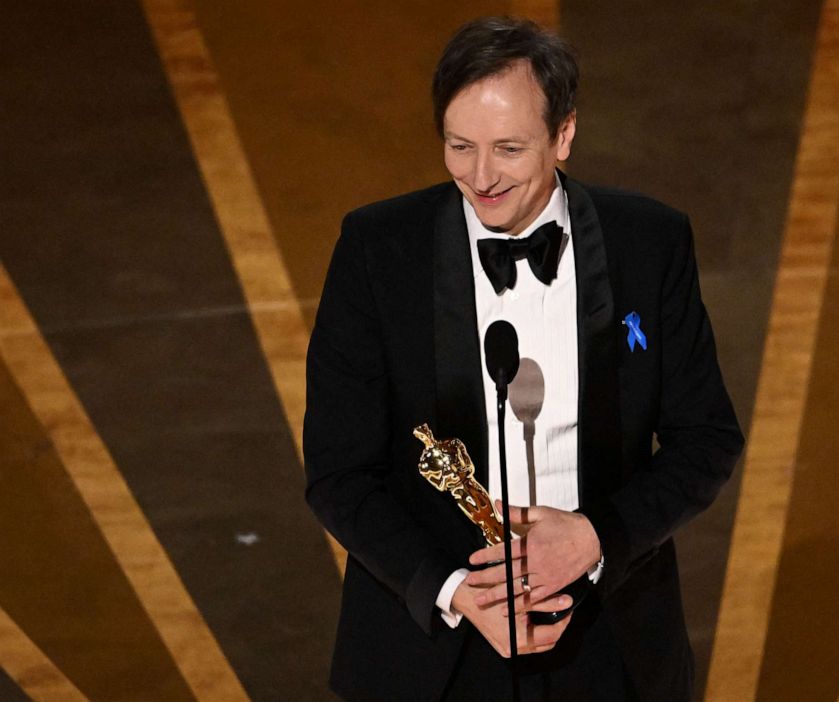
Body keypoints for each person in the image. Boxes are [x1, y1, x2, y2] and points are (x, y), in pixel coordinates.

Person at [304, 16, 744, 702]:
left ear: (563, 135)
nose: (480, 177)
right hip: (432, 651)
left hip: (609, 640)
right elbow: (337, 471)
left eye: (508, 148)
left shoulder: (649, 243)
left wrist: (597, 537)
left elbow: (707, 438)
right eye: (459, 146)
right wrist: (456, 591)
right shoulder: (376, 249)